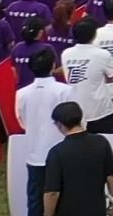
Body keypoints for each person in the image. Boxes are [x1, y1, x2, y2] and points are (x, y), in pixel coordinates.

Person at [16, 49, 71, 216]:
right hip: (62, 154)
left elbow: (21, 120)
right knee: (64, 198)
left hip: (35, 153)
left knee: (35, 201)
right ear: (53, 65)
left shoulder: (21, 93)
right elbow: (73, 121)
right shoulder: (64, 90)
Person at [42, 101, 113, 216]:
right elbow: (111, 176)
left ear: (59, 124)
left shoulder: (57, 153)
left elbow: (52, 192)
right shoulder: (101, 142)